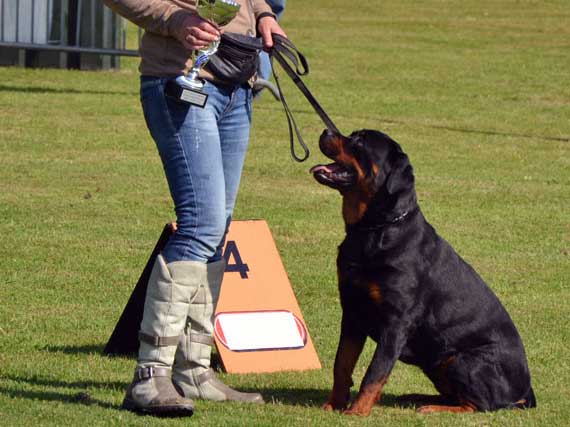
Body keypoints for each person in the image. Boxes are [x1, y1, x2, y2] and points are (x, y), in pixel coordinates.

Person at [102, 0, 287, 417]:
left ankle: (194, 372)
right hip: (179, 80)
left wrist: (263, 15)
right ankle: (150, 377)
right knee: (200, 226)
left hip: (237, 81)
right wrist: (177, 19)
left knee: (217, 229)